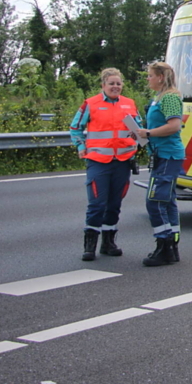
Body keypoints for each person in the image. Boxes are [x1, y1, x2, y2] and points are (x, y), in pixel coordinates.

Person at [70, 68, 141, 261]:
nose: (115, 87)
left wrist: (136, 141)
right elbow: (75, 127)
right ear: (103, 85)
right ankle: (90, 246)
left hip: (123, 161)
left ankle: (108, 243)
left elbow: (139, 130)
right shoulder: (90, 103)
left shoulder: (129, 104)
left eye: (118, 83)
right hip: (98, 161)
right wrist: (80, 146)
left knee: (114, 204)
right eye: (111, 84)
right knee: (97, 204)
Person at [138, 62, 186, 267]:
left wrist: (148, 133)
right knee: (167, 201)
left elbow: (174, 125)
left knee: (155, 201)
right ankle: (171, 247)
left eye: (150, 75)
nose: (148, 79)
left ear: (160, 77)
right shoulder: (159, 97)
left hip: (168, 155)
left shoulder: (170, 97)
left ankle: (164, 246)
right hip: (161, 155)